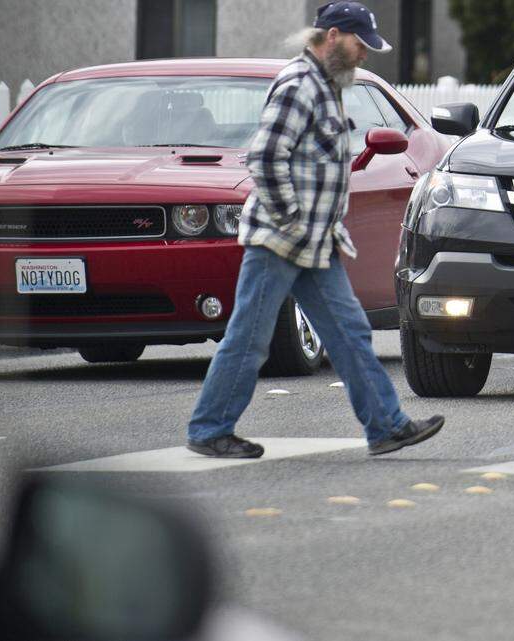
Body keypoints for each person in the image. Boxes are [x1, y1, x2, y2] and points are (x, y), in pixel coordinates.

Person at [186, 2, 443, 459]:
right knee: (249, 337)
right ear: (332, 37)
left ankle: (386, 427)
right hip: (281, 243)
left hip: (313, 244)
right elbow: (265, 159)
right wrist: (293, 220)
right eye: (360, 44)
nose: (366, 54)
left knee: (349, 334)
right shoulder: (298, 85)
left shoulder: (326, 86)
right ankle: (210, 429)